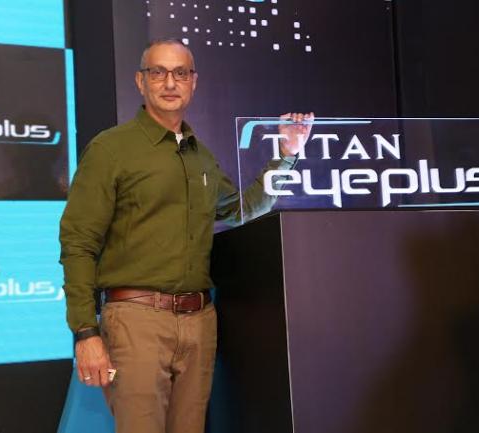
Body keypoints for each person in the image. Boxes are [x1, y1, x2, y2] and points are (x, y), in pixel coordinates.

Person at [59, 38, 313, 433]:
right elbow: (78, 241)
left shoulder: (200, 156)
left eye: (180, 73)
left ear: (193, 82)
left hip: (199, 321)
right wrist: (85, 332)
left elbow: (241, 209)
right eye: (157, 72)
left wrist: (288, 153)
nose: (169, 82)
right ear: (140, 81)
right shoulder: (111, 149)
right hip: (136, 320)